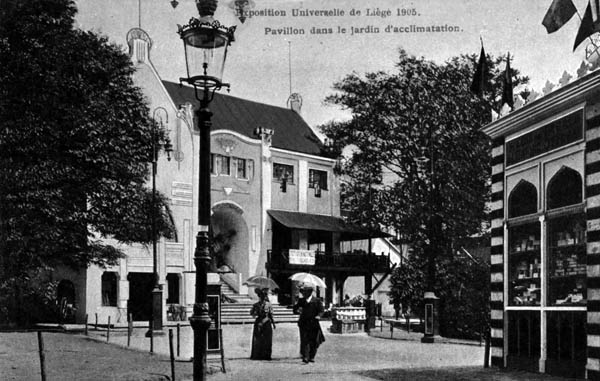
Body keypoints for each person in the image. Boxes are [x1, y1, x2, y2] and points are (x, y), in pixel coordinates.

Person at [293, 284, 325, 364]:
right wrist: (297, 308)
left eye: (305, 292)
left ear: (310, 292)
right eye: (303, 292)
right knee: (305, 340)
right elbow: (295, 310)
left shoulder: (317, 301)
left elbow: (321, 310)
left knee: (314, 340)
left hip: (314, 323)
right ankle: (306, 357)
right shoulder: (301, 301)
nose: (304, 293)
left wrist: (318, 316)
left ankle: (312, 356)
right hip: (304, 323)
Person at [250, 288, 275, 360]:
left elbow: (271, 314)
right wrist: (254, 312)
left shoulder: (269, 305)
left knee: (267, 339)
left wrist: (272, 322)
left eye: (264, 296)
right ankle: (257, 354)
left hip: (266, 322)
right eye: (261, 296)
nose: (263, 297)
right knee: (258, 338)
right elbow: (252, 314)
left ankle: (266, 355)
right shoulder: (256, 305)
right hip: (258, 321)